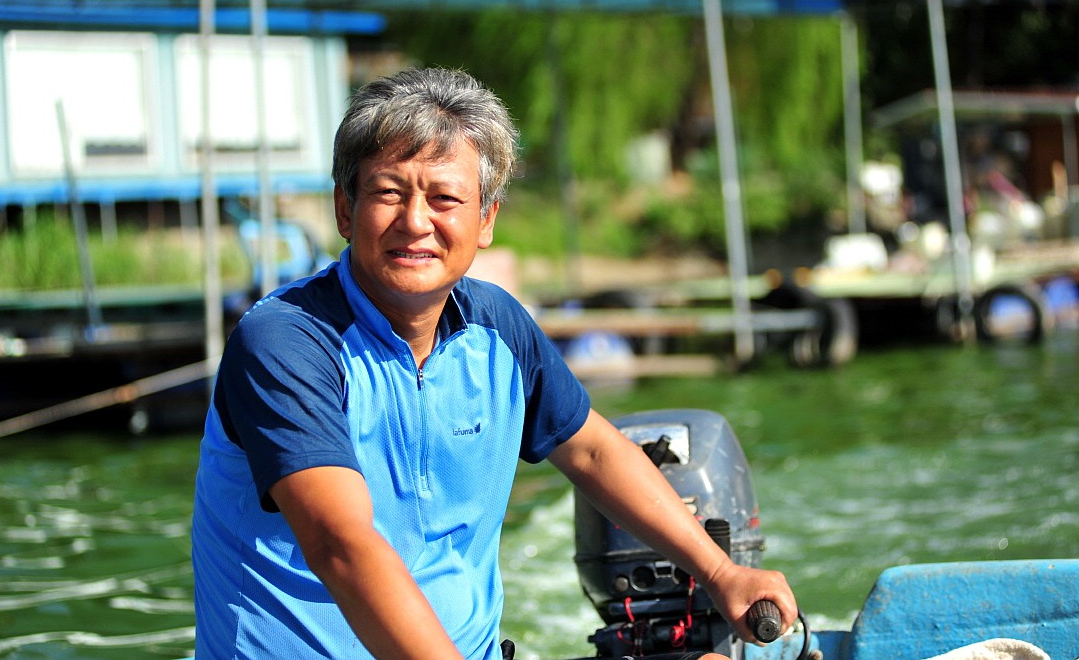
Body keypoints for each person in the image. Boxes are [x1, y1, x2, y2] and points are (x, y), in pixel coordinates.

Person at [191, 66, 797, 660]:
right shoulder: (287, 343)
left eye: (444, 198)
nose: (415, 221)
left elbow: (593, 451)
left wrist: (721, 572)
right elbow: (340, 544)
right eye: (388, 193)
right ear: (344, 210)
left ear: (485, 220)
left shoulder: (499, 328)